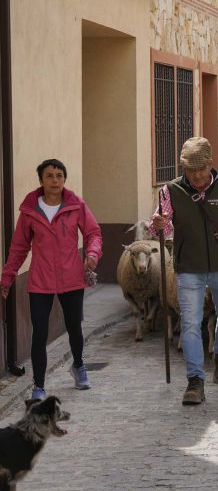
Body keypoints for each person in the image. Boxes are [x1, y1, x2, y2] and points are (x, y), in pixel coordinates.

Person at [151, 137, 218, 405]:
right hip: (189, 267)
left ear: (210, 164)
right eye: (191, 171)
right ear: (183, 168)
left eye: (201, 170)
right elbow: (162, 228)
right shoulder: (170, 191)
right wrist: (158, 224)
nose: (197, 176)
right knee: (190, 323)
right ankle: (195, 380)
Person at [1, 159, 102, 400]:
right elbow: (19, 247)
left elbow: (93, 233)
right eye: (49, 176)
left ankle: (79, 365)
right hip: (40, 280)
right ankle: (39, 386)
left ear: (64, 179)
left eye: (59, 175)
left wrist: (92, 253)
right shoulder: (30, 210)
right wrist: (7, 278)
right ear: (41, 181)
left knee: (74, 327)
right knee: (39, 332)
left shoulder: (76, 205)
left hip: (72, 277)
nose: (55, 180)